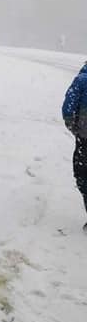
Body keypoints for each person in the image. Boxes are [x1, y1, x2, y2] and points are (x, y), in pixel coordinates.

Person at [62, 61, 87, 230]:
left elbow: (68, 110)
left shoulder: (81, 80)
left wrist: (76, 130)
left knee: (83, 174)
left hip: (85, 139)